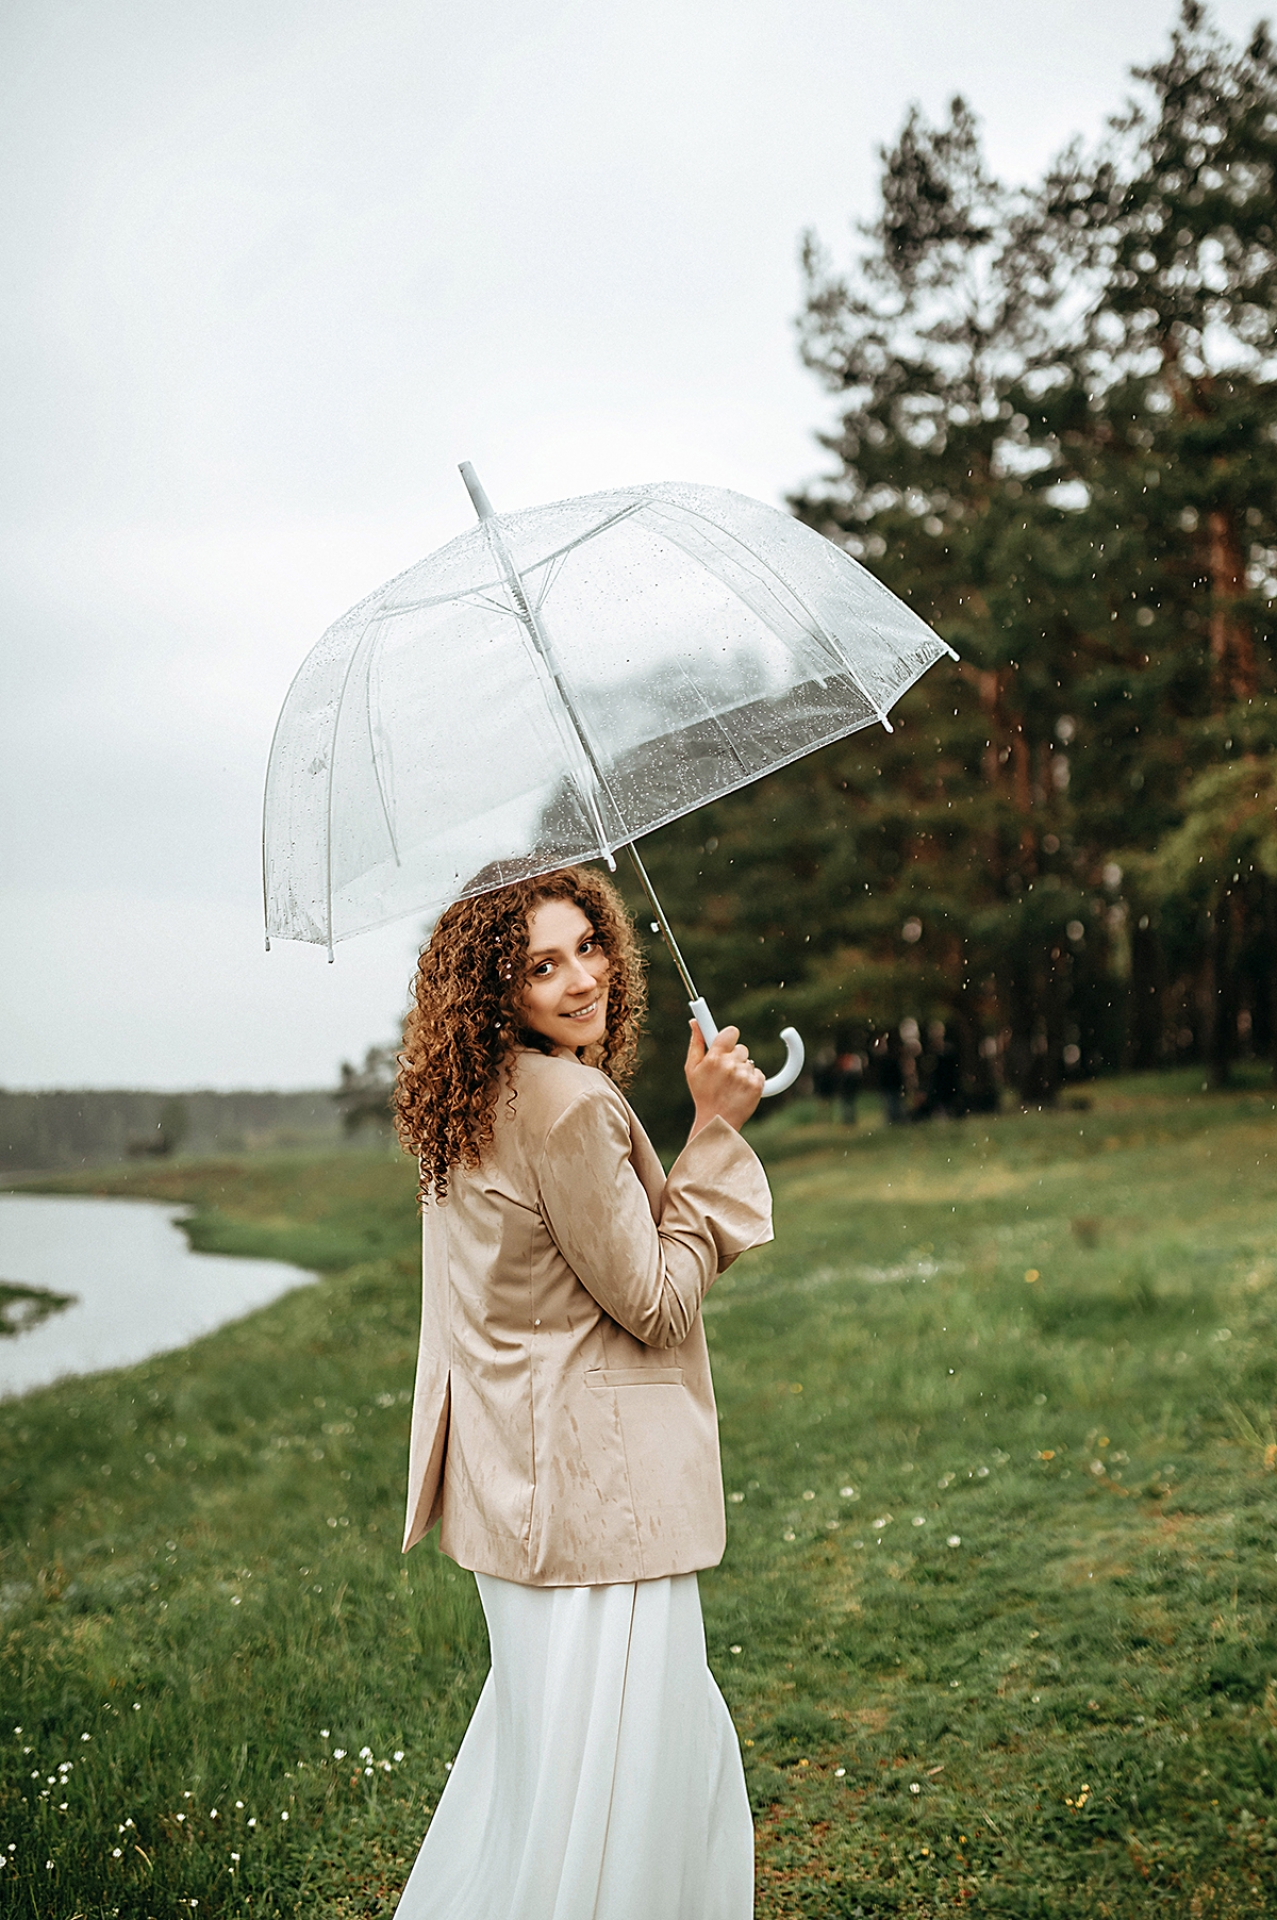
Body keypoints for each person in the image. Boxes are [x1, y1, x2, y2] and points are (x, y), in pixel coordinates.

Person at [390, 864, 773, 1920]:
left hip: (514, 1492)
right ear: (491, 991)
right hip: (598, 1503)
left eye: (587, 946)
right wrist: (716, 1132)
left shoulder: (473, 1098)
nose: (579, 980)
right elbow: (653, 1301)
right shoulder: (568, 1106)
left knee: (554, 1786)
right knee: (635, 1791)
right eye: (540, 966)